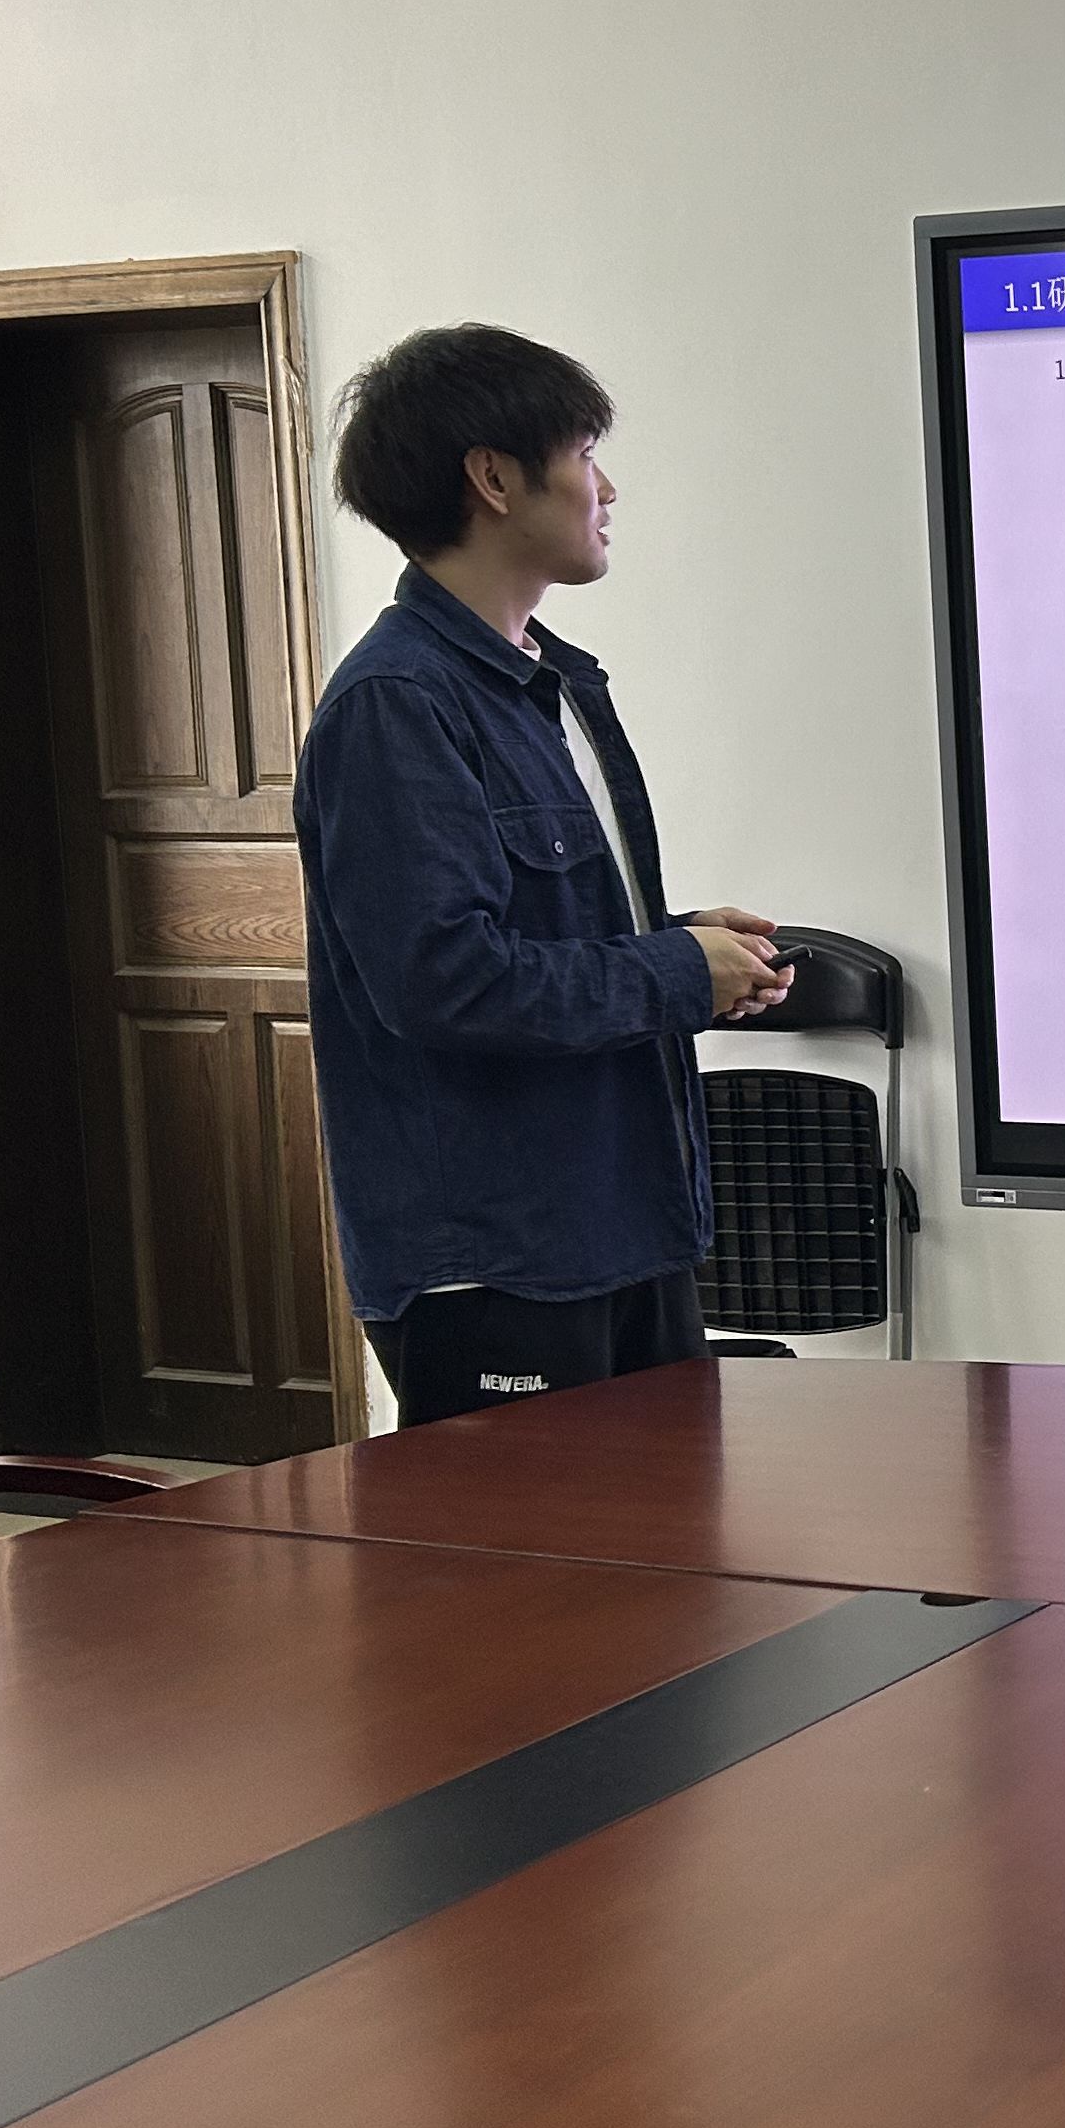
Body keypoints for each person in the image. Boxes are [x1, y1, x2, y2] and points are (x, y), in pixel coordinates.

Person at [297, 324, 793, 1429]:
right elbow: (445, 980)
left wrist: (691, 945)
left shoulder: (552, 683)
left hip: (627, 1224)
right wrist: (676, 972)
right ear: (494, 479)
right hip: (498, 1263)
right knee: (530, 1551)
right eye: (584, 455)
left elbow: (537, 930)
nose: (605, 490)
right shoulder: (396, 705)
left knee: (672, 1543)